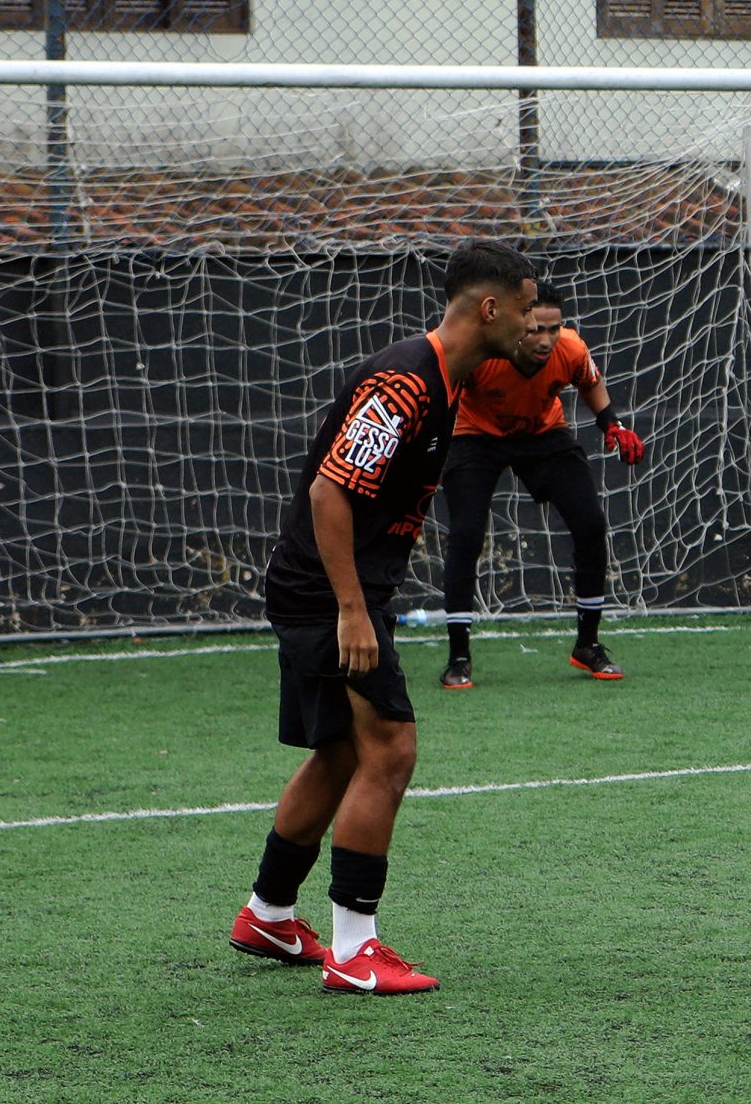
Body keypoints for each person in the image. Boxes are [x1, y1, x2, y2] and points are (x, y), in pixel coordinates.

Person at [229, 238, 535, 995]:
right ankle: (354, 948)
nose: (536, 327)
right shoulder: (406, 381)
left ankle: (268, 913)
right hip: (328, 595)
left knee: (338, 751)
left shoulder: (450, 383)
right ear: (489, 308)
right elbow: (331, 492)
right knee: (390, 749)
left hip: (329, 589)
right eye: (528, 312)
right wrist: (352, 611)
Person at [436, 277, 646, 688]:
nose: (547, 339)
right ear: (517, 324)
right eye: (536, 329)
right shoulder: (482, 352)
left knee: (590, 523)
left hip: (543, 434)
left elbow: (590, 382)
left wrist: (612, 425)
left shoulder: (570, 347)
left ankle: (587, 645)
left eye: (554, 328)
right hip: (476, 436)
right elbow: (440, 390)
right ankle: (459, 655)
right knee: (466, 534)